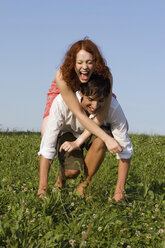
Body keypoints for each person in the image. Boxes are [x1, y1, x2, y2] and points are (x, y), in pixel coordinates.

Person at [38, 75, 133, 201]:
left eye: (101, 100)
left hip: (96, 133)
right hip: (69, 133)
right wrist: (42, 189)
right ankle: (61, 178)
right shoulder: (61, 103)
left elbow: (125, 151)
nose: (95, 106)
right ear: (81, 92)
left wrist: (119, 192)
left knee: (100, 142)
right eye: (91, 99)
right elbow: (47, 147)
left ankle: (83, 187)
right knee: (72, 172)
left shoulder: (112, 107)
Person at [41, 38, 122, 154]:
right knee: (46, 134)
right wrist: (107, 138)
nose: (84, 67)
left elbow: (102, 114)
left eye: (89, 62)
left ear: (96, 62)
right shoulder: (62, 76)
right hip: (66, 89)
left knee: (119, 123)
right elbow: (78, 113)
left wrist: (79, 141)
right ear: (73, 62)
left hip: (93, 92)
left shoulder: (105, 75)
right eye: (80, 63)